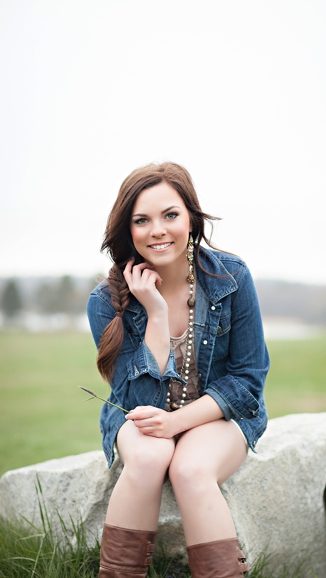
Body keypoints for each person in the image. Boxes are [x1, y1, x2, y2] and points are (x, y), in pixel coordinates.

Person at [87, 162, 269, 577]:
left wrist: (177, 424)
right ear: (127, 230)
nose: (158, 230)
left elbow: (247, 383)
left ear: (190, 216)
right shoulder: (104, 302)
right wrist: (154, 312)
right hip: (142, 417)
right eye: (141, 220)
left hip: (219, 416)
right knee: (150, 458)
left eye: (170, 215)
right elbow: (135, 401)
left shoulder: (231, 278)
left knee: (190, 469)